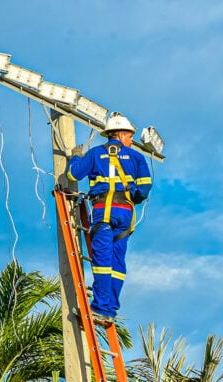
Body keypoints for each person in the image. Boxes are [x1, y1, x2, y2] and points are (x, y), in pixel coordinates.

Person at [67, 112, 152, 323]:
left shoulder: (96, 154)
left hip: (104, 211)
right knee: (117, 262)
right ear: (121, 134)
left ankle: (102, 308)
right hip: (125, 215)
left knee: (102, 262)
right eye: (130, 136)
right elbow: (144, 187)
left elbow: (73, 175)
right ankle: (110, 308)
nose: (132, 141)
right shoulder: (137, 158)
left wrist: (76, 157)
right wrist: (135, 197)